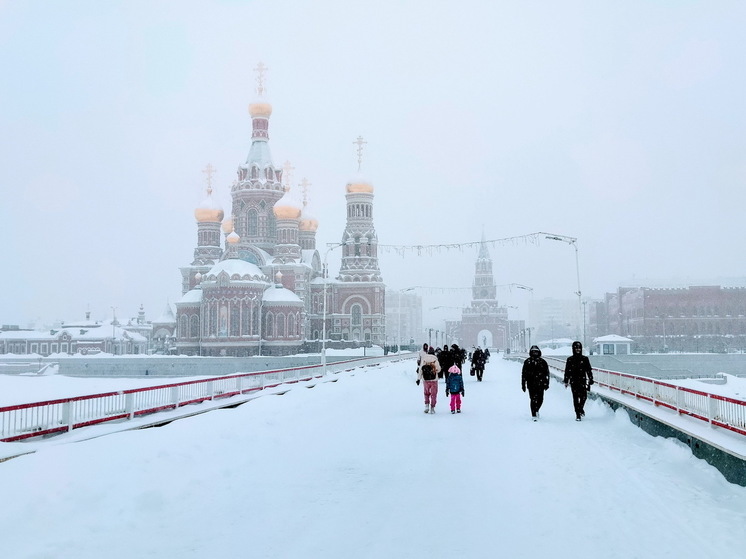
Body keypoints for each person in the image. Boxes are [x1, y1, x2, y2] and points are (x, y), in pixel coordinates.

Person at [563, 341, 594, 421]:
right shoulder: (570, 359)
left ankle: (580, 409)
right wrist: (566, 380)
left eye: (579, 348)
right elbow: (567, 371)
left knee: (584, 397)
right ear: (573, 349)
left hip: (582, 380)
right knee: (576, 398)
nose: (578, 349)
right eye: (576, 348)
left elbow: (588, 370)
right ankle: (578, 415)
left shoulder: (585, 359)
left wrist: (591, 378)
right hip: (574, 381)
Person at [521, 345, 550, 421]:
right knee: (533, 399)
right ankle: (534, 414)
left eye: (536, 352)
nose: (534, 353)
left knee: (540, 399)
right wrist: (523, 384)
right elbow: (524, 374)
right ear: (531, 352)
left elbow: (547, 373)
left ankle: (536, 409)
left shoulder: (543, 362)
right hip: (531, 384)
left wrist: (547, 383)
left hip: (541, 384)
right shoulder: (527, 362)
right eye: (533, 351)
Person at [417, 346, 441, 413]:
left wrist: (418, 378)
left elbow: (420, 369)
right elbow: (438, 369)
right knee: (434, 394)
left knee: (426, 393)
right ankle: (432, 408)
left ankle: (426, 405)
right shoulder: (435, 359)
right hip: (434, 379)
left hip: (425, 379)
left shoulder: (424, 359)